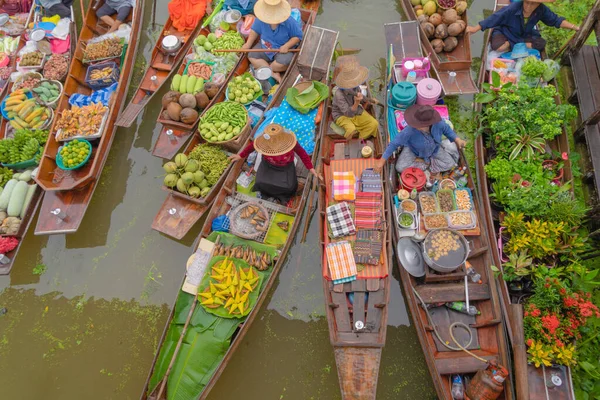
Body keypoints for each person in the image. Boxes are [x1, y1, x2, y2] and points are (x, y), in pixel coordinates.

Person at [228, 123, 318, 203]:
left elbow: (302, 153)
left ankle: (284, 197)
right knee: (260, 181)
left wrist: (311, 168)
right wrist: (240, 156)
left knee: (289, 186)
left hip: (285, 166)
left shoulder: (291, 142)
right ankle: (266, 194)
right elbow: (251, 147)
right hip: (268, 164)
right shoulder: (262, 141)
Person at [374, 105, 466, 175]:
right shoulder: (409, 131)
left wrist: (458, 140)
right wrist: (381, 162)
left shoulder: (438, 123)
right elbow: (394, 144)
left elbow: (447, 130)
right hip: (413, 150)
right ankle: (425, 163)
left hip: (434, 149)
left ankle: (428, 163)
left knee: (450, 163)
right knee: (400, 168)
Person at [466, 0, 579, 53]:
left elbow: (556, 20)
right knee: (499, 47)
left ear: (539, 4)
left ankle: (517, 46)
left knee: (541, 44)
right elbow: (495, 18)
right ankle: (517, 46)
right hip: (506, 32)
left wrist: (575, 27)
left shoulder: (541, 10)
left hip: (524, 35)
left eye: (533, 3)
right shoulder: (513, 8)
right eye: (527, 2)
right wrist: (475, 28)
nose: (529, 6)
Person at [241, 0, 303, 83]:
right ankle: (273, 74)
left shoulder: (289, 22)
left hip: (281, 50)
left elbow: (298, 36)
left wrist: (287, 46)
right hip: (266, 46)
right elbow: (255, 30)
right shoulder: (261, 18)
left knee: (285, 62)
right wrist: (248, 44)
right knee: (251, 56)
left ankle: (266, 69)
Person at [332, 59, 379, 140]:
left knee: (374, 124)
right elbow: (348, 113)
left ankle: (359, 140)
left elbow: (362, 97)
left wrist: (371, 100)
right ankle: (348, 142)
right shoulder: (339, 94)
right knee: (351, 130)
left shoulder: (355, 87)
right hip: (342, 115)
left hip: (355, 111)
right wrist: (357, 102)